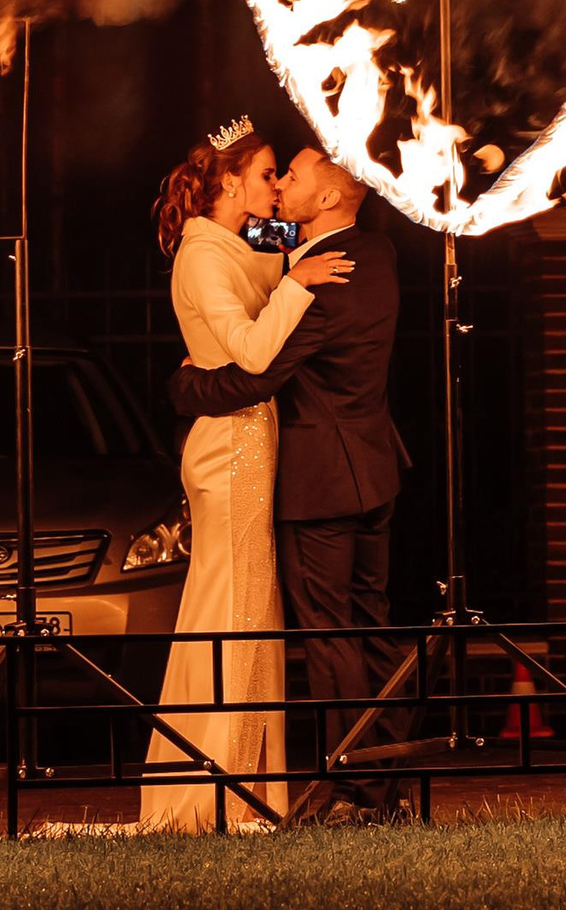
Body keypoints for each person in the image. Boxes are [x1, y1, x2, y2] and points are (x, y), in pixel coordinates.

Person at [168, 148, 408, 821]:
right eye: (273, 173)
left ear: (328, 200)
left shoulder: (322, 284)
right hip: (376, 469)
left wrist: (183, 384)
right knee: (373, 627)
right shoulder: (375, 250)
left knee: (332, 636)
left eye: (292, 176)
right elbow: (246, 231)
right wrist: (237, 203)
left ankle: (352, 792)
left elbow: (254, 376)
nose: (281, 188)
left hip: (322, 483)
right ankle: (385, 785)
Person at [131, 118, 351, 833]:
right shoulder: (202, 256)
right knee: (230, 613)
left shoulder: (240, 240)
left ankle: (249, 789)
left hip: (253, 442)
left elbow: (299, 238)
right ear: (229, 182)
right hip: (229, 450)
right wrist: (301, 283)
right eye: (265, 176)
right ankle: (215, 791)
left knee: (254, 614)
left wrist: (307, 244)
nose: (275, 188)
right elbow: (254, 353)